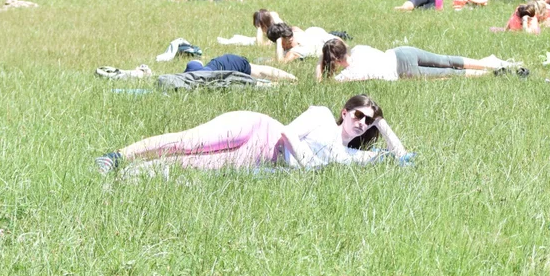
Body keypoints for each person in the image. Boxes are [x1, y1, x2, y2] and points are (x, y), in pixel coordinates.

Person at [97, 95, 408, 173]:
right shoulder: (323, 115)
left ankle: (130, 173)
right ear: (345, 112)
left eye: (368, 123)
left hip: (260, 158)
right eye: (359, 115)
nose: (362, 123)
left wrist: (382, 123)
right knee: (188, 142)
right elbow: (287, 133)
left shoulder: (350, 155)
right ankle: (117, 156)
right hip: (259, 128)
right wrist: (309, 165)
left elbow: (402, 158)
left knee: (189, 165)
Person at [317, 39, 520, 82]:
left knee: (449, 73)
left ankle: (492, 74)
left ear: (334, 60)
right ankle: (493, 64)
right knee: (447, 60)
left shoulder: (348, 74)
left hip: (403, 70)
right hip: (401, 52)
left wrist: (320, 62)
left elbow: (322, 83)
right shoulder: (360, 49)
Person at [184, 54, 297, 81]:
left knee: (258, 72)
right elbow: (196, 60)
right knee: (258, 71)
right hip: (226, 62)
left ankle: (291, 78)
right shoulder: (193, 69)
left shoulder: (196, 73)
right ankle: (291, 78)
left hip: (230, 63)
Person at [266, 22, 338, 63]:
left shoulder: (294, 52)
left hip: (325, 44)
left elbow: (280, 63)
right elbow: (294, 28)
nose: (290, 39)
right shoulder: (295, 32)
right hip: (318, 36)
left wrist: (279, 43)